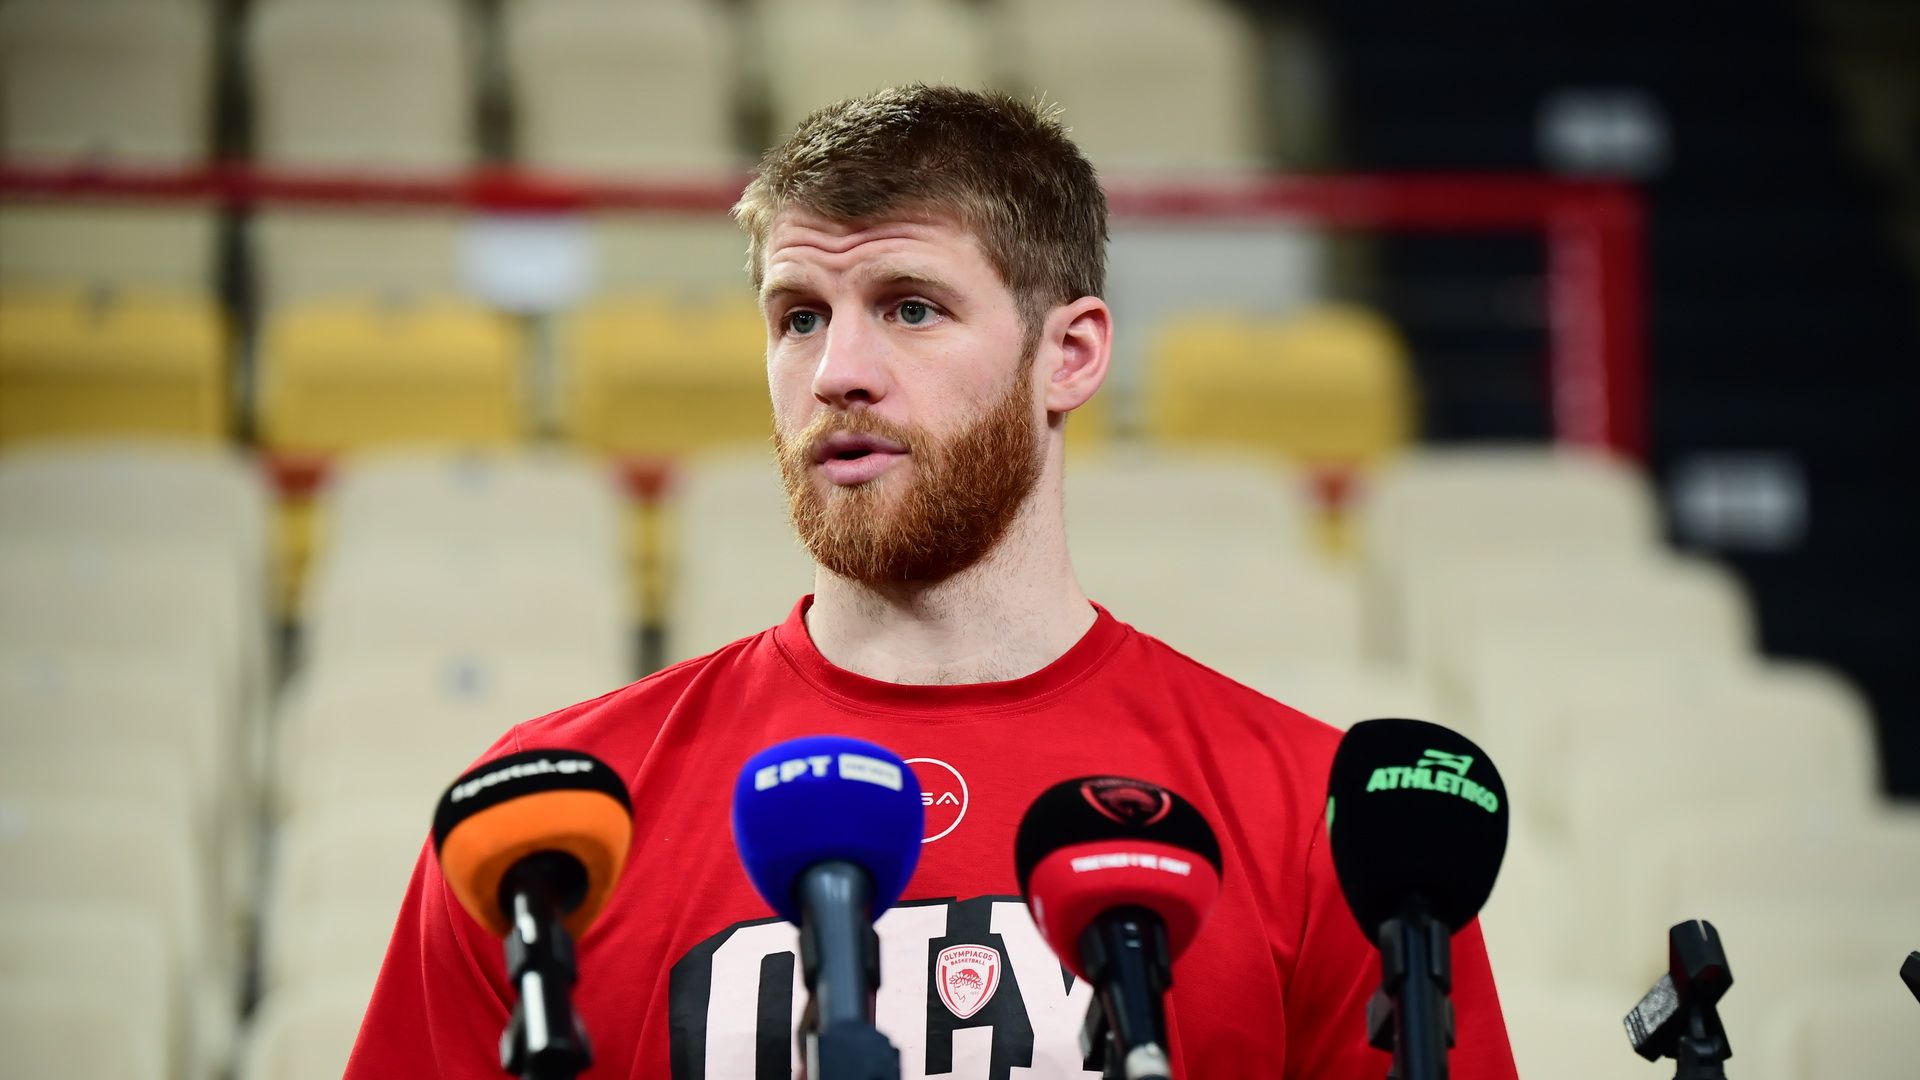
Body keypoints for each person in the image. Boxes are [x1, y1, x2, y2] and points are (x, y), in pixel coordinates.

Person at [346, 84, 1517, 1079]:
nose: (838, 372)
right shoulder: (546, 831)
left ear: (1071, 354)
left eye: (911, 308)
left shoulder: (1333, 831)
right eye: (799, 318)